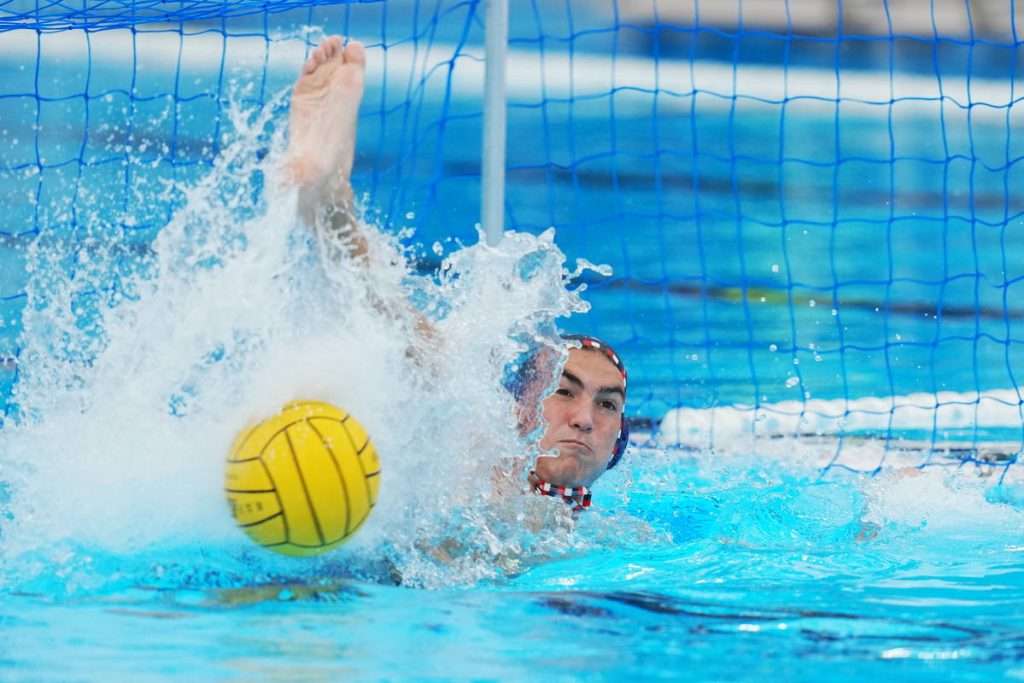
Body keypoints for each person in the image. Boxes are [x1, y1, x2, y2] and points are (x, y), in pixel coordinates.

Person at [283, 36, 629, 511]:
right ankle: (327, 199)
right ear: (516, 410)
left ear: (619, 442)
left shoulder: (621, 536)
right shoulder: (474, 470)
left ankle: (325, 201)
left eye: (607, 404)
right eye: (562, 391)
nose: (585, 419)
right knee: (439, 367)